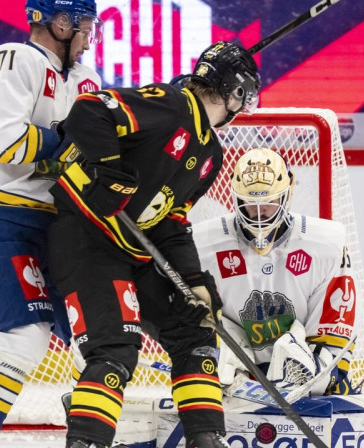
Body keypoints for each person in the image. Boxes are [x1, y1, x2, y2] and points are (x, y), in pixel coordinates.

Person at [45, 41, 261, 448]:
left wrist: (193, 281)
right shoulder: (171, 104)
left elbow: (171, 222)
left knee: (194, 327)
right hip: (87, 237)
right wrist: (109, 170)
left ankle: (206, 438)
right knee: (116, 349)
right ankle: (86, 442)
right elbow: (88, 110)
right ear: (234, 92)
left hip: (134, 251)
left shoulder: (211, 153)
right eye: (243, 96)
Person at [0, 1, 102, 446]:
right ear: (60, 23)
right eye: (84, 27)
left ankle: (88, 427)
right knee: (26, 333)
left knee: (94, 333)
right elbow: (3, 142)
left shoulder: (87, 80)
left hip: (58, 223)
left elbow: (97, 146)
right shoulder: (13, 59)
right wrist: (68, 144)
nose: (89, 37)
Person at [192, 148, 359, 397]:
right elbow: (192, 315)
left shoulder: (326, 243)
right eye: (250, 203)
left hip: (300, 366)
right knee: (213, 350)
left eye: (269, 202)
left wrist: (327, 374)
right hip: (238, 370)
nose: (260, 213)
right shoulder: (202, 244)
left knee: (298, 359)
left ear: (287, 194)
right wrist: (199, 357)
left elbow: (335, 323)